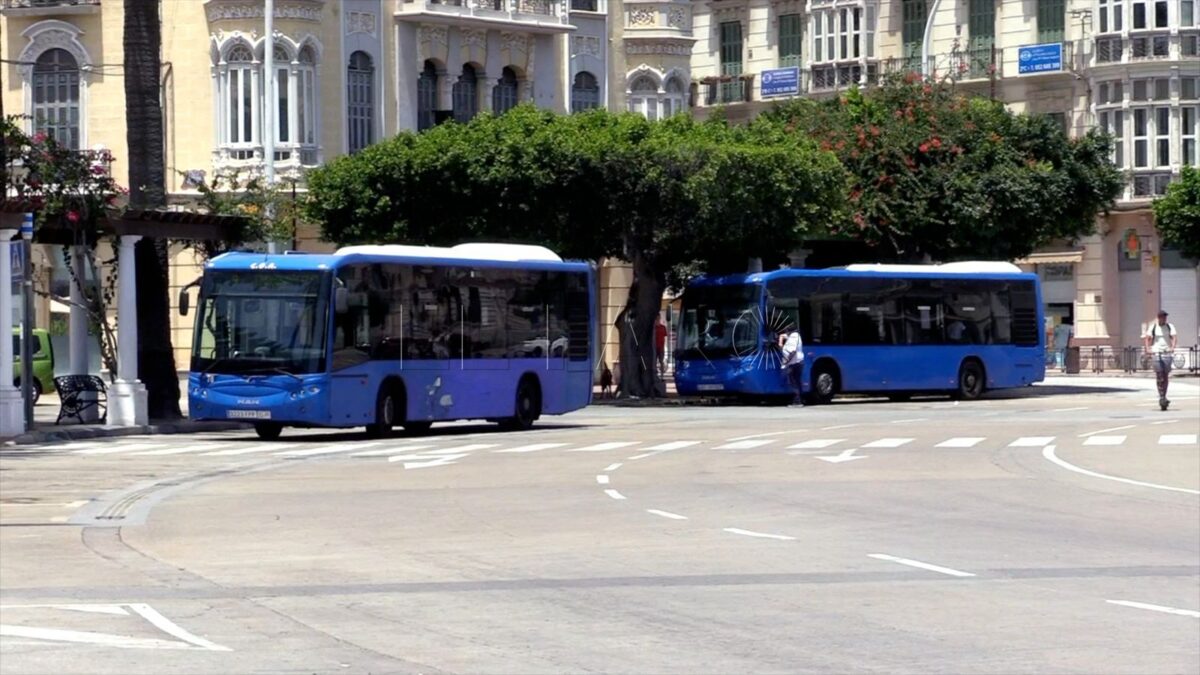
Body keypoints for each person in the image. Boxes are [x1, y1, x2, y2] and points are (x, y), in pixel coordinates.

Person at [1143, 309, 1177, 410]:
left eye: (1165, 317)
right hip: (1156, 352)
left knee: (1165, 375)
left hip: (1166, 352)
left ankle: (1164, 394)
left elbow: (1174, 337)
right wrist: (1148, 349)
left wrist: (1172, 347)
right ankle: (1161, 396)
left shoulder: (1170, 326)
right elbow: (1148, 338)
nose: (1164, 318)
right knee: (1159, 375)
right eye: (1162, 317)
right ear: (1159, 318)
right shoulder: (1153, 327)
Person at [779, 328, 805, 406]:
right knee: (797, 381)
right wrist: (780, 341)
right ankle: (800, 399)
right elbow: (782, 336)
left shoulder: (793, 337)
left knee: (793, 382)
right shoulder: (795, 336)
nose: (786, 333)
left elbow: (792, 351)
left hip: (794, 363)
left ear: (790, 331)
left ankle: (797, 401)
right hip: (798, 362)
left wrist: (786, 362)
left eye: (787, 331)